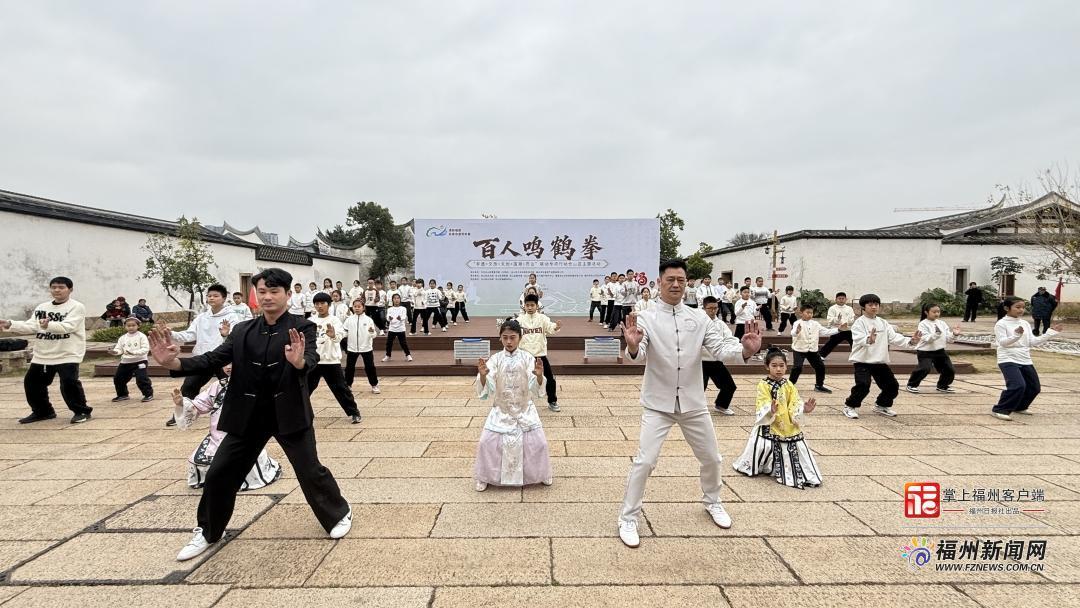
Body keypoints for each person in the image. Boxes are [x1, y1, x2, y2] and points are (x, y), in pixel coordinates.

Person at [148, 267, 353, 561]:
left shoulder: (302, 327)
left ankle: (338, 514)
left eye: (274, 291)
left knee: (310, 470)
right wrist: (175, 363)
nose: (267, 297)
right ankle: (208, 531)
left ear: (287, 293)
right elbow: (212, 359)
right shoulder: (243, 330)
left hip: (289, 412)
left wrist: (298, 362)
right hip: (247, 415)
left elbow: (310, 358)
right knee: (220, 472)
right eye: (262, 291)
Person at [617, 260, 762, 549]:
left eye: (681, 280)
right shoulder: (646, 317)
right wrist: (632, 345)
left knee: (712, 458)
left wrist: (745, 351)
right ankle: (628, 517)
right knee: (645, 461)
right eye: (670, 279)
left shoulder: (699, 318)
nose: (675, 284)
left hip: (693, 402)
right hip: (658, 403)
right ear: (660, 282)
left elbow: (720, 349)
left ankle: (713, 501)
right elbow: (638, 352)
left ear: (686, 283)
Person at [472, 318, 553, 491]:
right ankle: (486, 476)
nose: (509, 341)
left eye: (513, 337)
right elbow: (486, 386)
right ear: (500, 338)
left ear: (520, 338)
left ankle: (541, 473)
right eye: (505, 337)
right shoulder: (495, 359)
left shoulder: (527, 357)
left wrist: (539, 376)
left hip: (524, 409)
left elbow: (536, 387)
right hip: (502, 410)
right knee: (486, 443)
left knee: (540, 444)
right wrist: (484, 375)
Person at [171, 366, 282, 491]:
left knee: (246, 461)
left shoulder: (255, 383)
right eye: (225, 363)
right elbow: (200, 404)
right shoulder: (218, 386)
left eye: (232, 363)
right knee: (197, 460)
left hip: (243, 434)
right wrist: (182, 403)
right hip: (217, 435)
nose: (228, 367)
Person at [1, 277, 92, 424]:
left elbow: (69, 326)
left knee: (69, 383)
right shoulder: (42, 307)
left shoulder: (76, 307)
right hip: (43, 353)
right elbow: (31, 325)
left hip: (67, 353)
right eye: (53, 287)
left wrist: (47, 325)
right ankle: (43, 411)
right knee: (32, 382)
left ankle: (81, 411)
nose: (57, 290)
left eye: (61, 287)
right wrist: (10, 324)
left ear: (70, 289)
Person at [733, 347, 821, 489]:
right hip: (770, 421)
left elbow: (795, 401)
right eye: (774, 366)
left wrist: (803, 409)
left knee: (792, 444)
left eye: (781, 365)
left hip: (787, 422)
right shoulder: (764, 384)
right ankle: (764, 464)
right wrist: (770, 409)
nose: (778, 369)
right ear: (767, 367)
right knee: (765, 444)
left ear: (786, 366)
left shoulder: (789, 384)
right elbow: (762, 401)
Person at [165, 284, 240, 427]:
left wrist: (225, 335)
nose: (211, 298)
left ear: (224, 298)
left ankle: (236, 414)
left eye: (215, 296)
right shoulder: (201, 317)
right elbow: (189, 334)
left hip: (222, 358)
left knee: (230, 386)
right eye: (209, 296)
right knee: (189, 386)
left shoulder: (232, 316)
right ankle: (183, 414)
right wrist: (172, 333)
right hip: (203, 358)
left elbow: (236, 338)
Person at [843, 294, 920, 420]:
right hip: (862, 361)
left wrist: (911, 341)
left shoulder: (883, 322)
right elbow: (857, 338)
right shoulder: (859, 323)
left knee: (892, 386)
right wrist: (868, 339)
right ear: (863, 307)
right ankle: (850, 406)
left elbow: (894, 337)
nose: (874, 307)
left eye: (876, 304)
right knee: (863, 385)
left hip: (879, 361)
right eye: (870, 305)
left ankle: (881, 405)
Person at [991, 297, 1062, 420]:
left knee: (1034, 387)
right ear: (1007, 308)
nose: (1021, 310)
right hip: (1007, 359)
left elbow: (1032, 342)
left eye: (1023, 307)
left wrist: (1050, 333)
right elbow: (1003, 343)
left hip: (1025, 359)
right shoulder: (1001, 324)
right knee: (1018, 385)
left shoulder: (1025, 323)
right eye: (1017, 307)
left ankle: (1020, 407)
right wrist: (1016, 335)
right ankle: (1000, 409)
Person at [308, 293, 362, 423]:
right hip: (313, 361)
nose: (320, 306)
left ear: (329, 305)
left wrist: (333, 335)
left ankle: (354, 413)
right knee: (304, 389)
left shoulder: (335, 320)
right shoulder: (310, 321)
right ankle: (299, 415)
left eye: (323, 303)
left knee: (341, 388)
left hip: (330, 361)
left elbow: (339, 337)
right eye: (317, 304)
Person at [517, 293, 562, 411]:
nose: (530, 307)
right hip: (524, 356)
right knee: (520, 380)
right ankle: (519, 402)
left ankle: (552, 401)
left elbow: (550, 327)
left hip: (540, 356)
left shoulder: (542, 318)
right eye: (527, 305)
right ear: (524, 306)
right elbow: (513, 332)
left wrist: (556, 327)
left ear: (537, 306)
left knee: (550, 378)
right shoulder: (520, 320)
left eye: (532, 305)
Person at [906, 303, 961, 394]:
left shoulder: (942, 323)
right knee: (925, 368)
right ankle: (911, 385)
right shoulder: (923, 324)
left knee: (949, 369)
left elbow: (948, 339)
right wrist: (936, 334)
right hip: (925, 351)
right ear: (926, 312)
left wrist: (954, 334)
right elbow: (926, 339)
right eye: (934, 312)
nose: (936, 314)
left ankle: (943, 385)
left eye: (938, 312)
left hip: (940, 351)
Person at [700, 296, 738, 415]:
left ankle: (721, 405)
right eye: (710, 308)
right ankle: (695, 409)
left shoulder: (721, 324)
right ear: (704, 308)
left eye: (715, 308)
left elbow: (729, 338)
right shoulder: (698, 322)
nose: (713, 311)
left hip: (716, 360)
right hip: (700, 361)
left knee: (729, 385)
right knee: (699, 387)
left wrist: (736, 347)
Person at [788, 304, 838, 393]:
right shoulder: (797, 323)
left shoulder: (816, 324)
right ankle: (789, 386)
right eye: (807, 312)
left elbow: (826, 332)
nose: (810, 314)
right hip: (799, 349)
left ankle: (819, 386)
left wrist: (838, 330)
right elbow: (793, 333)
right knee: (797, 367)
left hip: (812, 350)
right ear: (801, 313)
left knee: (820, 367)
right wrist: (797, 331)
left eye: (811, 313)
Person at [111, 317, 154, 403]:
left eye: (133, 325)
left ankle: (148, 394)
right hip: (125, 362)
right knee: (118, 378)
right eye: (128, 326)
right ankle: (123, 394)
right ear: (125, 326)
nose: (131, 327)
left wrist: (134, 353)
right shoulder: (122, 338)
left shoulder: (142, 336)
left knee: (141, 378)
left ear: (138, 326)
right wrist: (115, 352)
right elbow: (119, 349)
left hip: (140, 361)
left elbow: (145, 349)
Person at [343, 299, 380, 393]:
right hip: (352, 348)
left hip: (366, 348)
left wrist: (372, 332)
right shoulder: (349, 320)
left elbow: (374, 335)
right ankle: (348, 385)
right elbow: (345, 332)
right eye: (355, 306)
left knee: (370, 367)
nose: (357, 308)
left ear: (363, 307)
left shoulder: (368, 320)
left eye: (359, 306)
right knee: (349, 368)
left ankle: (374, 385)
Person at [818, 292, 855, 358]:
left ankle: (857, 356)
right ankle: (821, 355)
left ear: (846, 299)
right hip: (837, 329)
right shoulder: (832, 308)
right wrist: (837, 319)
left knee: (854, 343)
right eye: (839, 298)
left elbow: (852, 319)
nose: (841, 300)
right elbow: (829, 319)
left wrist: (845, 323)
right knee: (831, 343)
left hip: (848, 329)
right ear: (836, 299)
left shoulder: (849, 308)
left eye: (843, 298)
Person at [383, 294, 413, 361]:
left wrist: (400, 318)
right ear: (392, 300)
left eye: (398, 298)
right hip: (392, 329)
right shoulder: (390, 309)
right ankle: (388, 355)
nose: (396, 300)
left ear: (400, 300)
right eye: (395, 298)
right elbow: (387, 317)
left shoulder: (403, 308)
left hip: (400, 328)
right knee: (389, 343)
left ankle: (408, 355)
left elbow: (404, 317)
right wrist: (389, 318)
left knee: (403, 343)